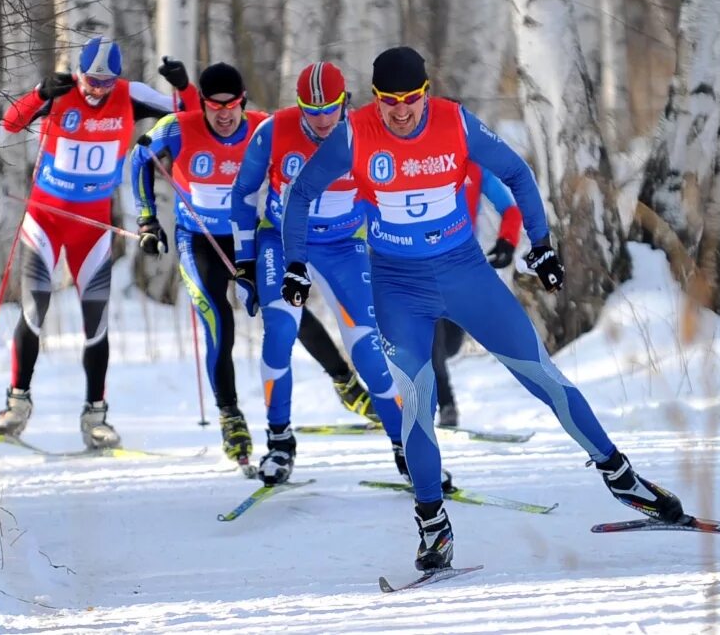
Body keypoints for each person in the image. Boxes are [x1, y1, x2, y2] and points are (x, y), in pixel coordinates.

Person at [280, 46, 683, 572]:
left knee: (542, 375)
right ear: (374, 98)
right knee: (417, 401)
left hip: (465, 275)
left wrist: (540, 244)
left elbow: (515, 174)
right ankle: (432, 524)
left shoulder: (455, 122)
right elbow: (302, 194)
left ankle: (622, 477)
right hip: (398, 286)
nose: (401, 111)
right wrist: (294, 264)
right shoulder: (353, 133)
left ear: (425, 92)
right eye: (388, 101)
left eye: (410, 99)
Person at [130, 62, 384, 469]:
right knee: (220, 322)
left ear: (244, 102)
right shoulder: (179, 127)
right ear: (204, 105)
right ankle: (230, 414)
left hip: (254, 236)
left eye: (232, 106)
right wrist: (146, 218)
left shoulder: (263, 126)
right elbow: (139, 157)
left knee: (287, 314)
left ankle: (345, 382)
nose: (224, 115)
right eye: (214, 106)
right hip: (201, 240)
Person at [0, 37, 197, 448]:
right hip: (46, 220)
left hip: (93, 226)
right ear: (79, 70)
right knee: (35, 309)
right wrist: (37, 95)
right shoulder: (61, 90)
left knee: (96, 320)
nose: (96, 89)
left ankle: (95, 416)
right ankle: (17, 404)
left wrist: (184, 86)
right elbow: (8, 129)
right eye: (91, 80)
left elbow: (190, 119)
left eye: (106, 82)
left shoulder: (130, 95)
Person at [228, 61, 408, 486]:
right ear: (299, 105)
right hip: (282, 242)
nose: (322, 120)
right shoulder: (273, 130)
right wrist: (244, 263)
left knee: (368, 349)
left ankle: (406, 447)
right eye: (312, 110)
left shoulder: (369, 131)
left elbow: (390, 195)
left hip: (344, 247)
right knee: (279, 333)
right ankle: (279, 441)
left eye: (330, 109)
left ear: (345, 102)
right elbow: (243, 195)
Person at [432, 164, 523, 428]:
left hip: (461, 267)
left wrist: (507, 241)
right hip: (422, 265)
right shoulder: (416, 163)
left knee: (450, 345)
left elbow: (510, 209)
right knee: (431, 340)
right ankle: (446, 405)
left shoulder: (477, 168)